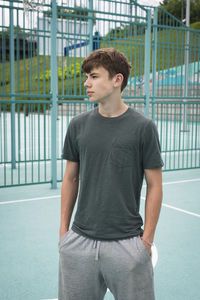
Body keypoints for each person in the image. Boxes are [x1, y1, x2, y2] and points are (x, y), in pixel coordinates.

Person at [58, 48, 163, 300]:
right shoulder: (78, 125)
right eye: (87, 77)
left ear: (117, 80)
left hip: (127, 243)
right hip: (79, 241)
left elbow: (155, 186)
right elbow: (71, 179)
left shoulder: (144, 128)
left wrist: (146, 241)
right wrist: (64, 233)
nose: (87, 83)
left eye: (94, 76)